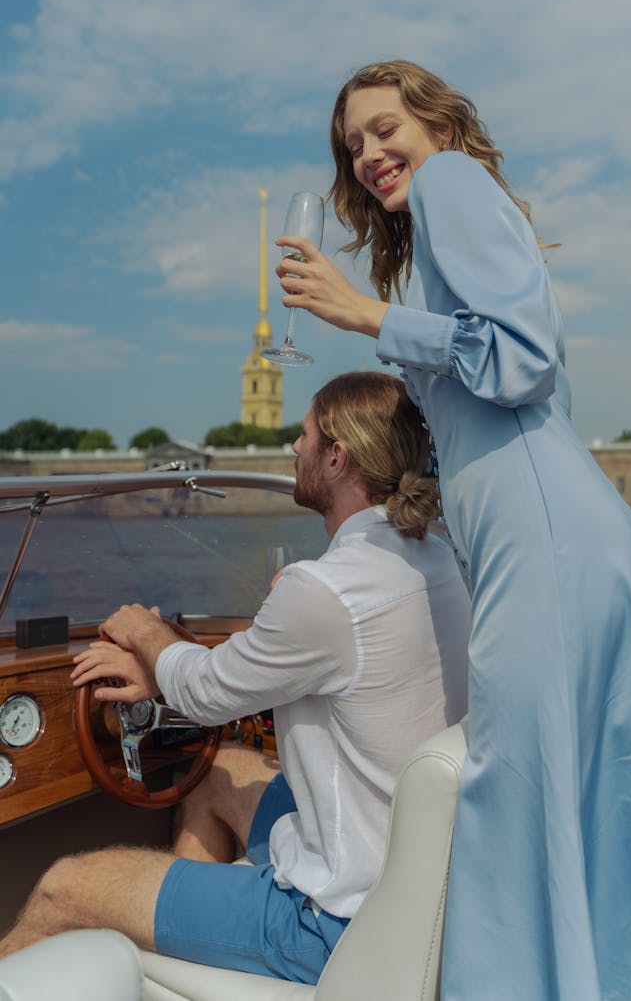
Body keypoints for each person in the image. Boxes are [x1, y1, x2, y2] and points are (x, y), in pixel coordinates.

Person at [268, 61, 631, 999]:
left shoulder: (450, 182)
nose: (368, 154)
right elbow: (498, 394)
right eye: (351, 144)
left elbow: (518, 359)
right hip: (565, 534)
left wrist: (366, 314)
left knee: (515, 788)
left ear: (435, 122)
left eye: (383, 127)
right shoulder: (453, 218)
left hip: (546, 543)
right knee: (589, 786)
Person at [0, 370, 470, 984]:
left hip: (330, 920)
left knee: (64, 889)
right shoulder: (440, 559)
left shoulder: (325, 590)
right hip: (412, 879)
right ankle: (189, 940)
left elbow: (206, 692)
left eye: (304, 437)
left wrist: (145, 632)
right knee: (218, 774)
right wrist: (173, 670)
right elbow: (272, 666)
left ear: (336, 456)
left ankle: (209, 934)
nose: (293, 449)